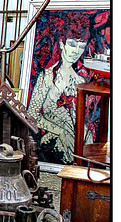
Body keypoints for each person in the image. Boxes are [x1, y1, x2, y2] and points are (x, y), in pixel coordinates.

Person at [27, 15, 92, 163]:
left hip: (77, 140)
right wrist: (59, 131)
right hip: (53, 140)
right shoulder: (47, 76)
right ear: (62, 44)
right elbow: (32, 115)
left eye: (81, 47)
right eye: (72, 44)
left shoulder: (81, 81)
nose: (76, 51)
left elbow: (80, 119)